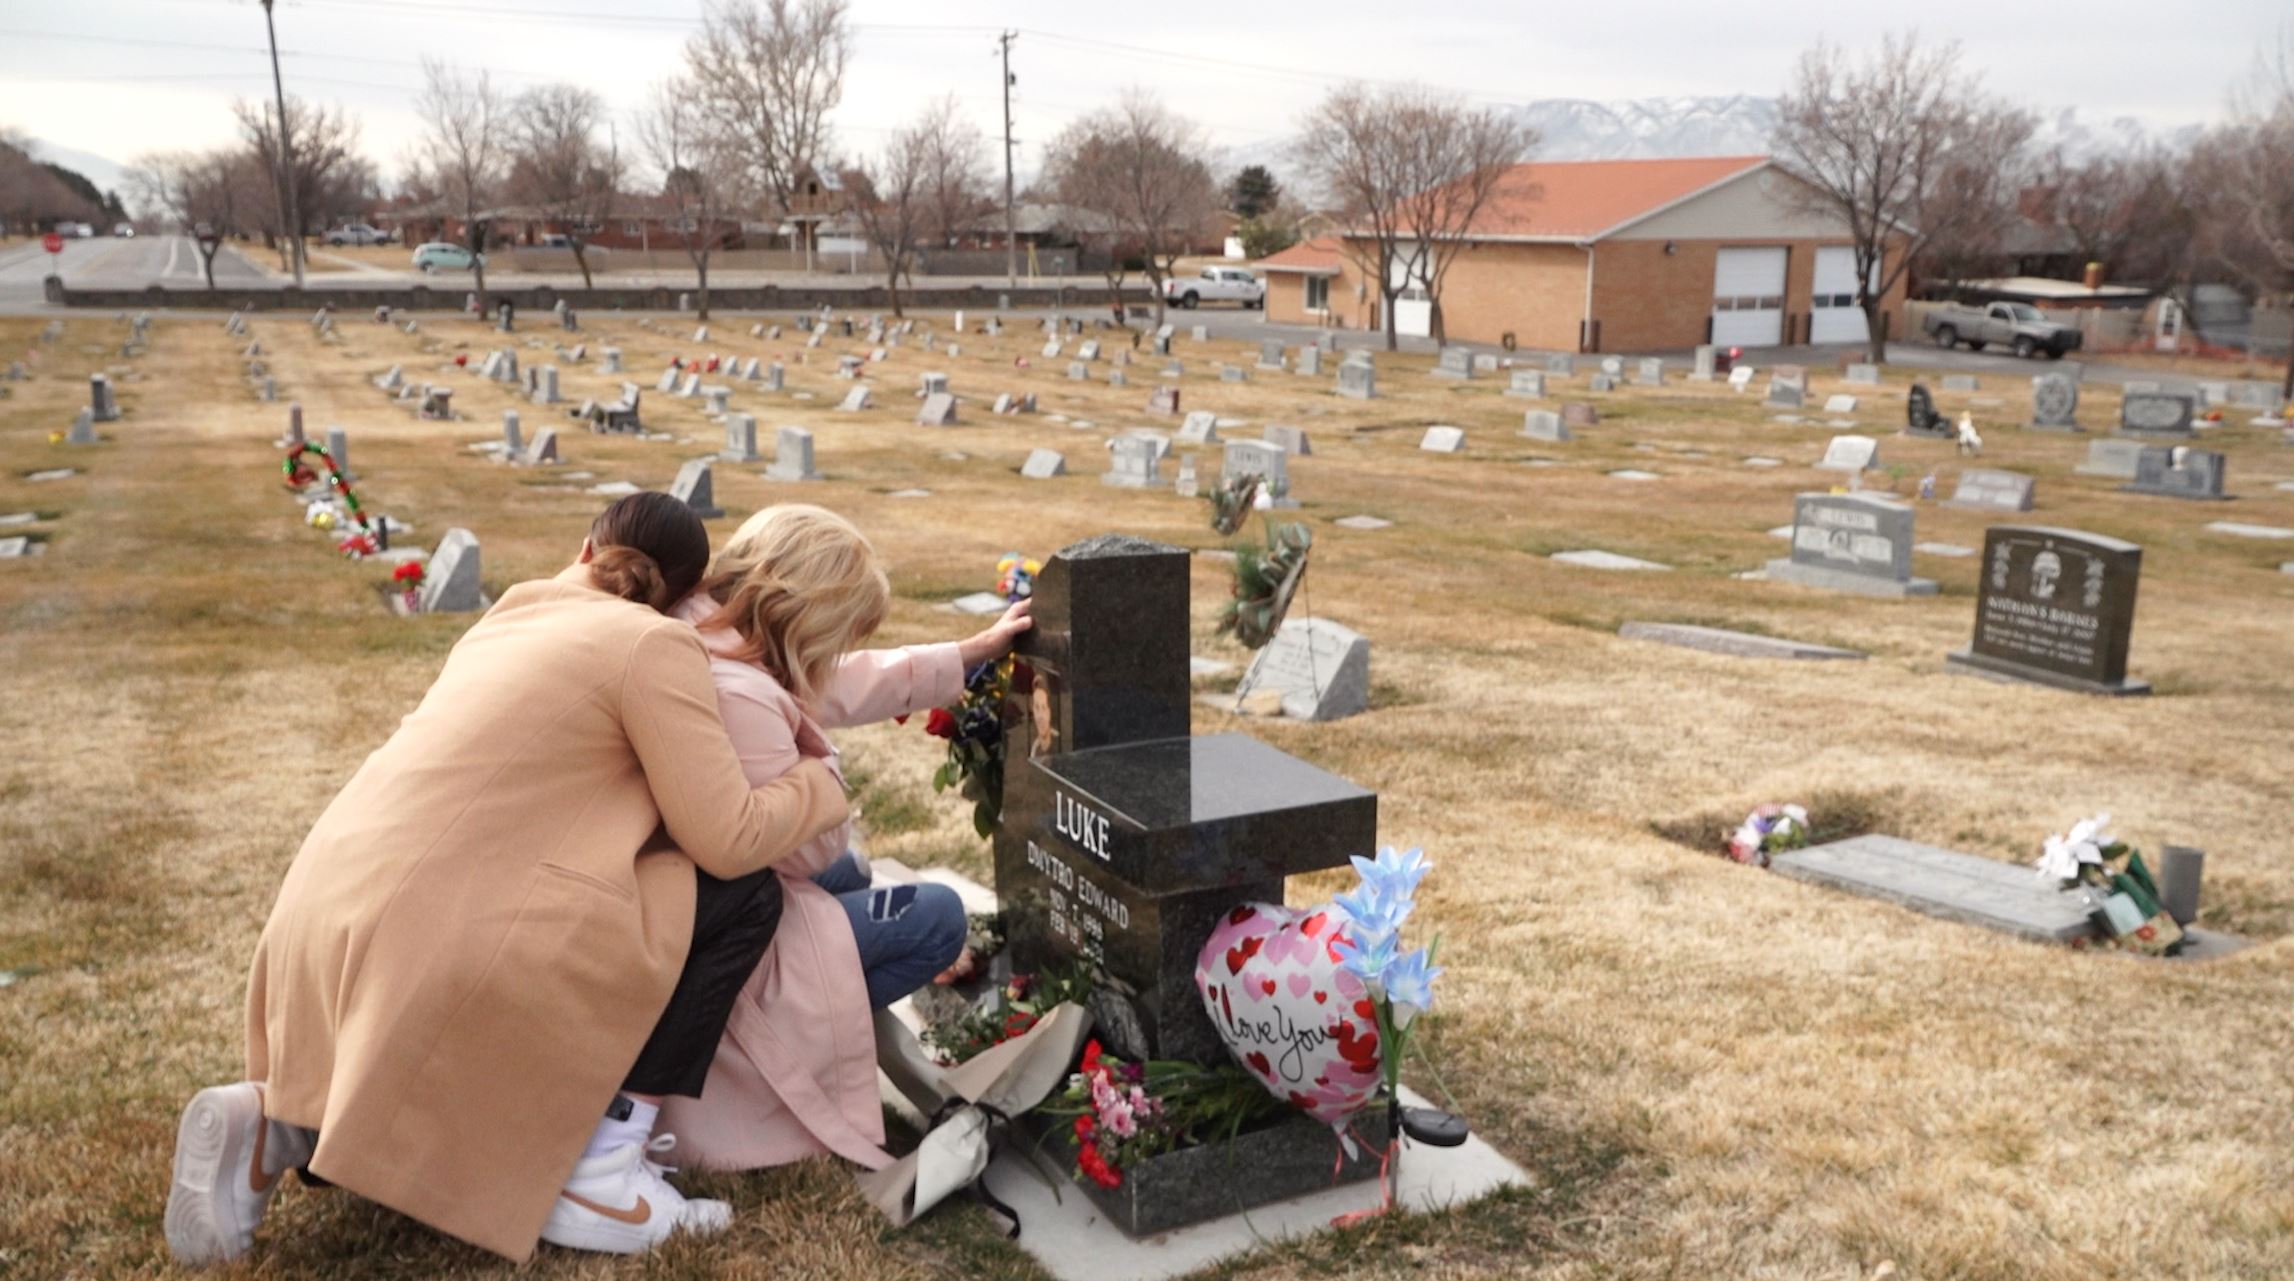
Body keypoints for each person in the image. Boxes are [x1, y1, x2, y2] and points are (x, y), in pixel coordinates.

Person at [165, 494, 854, 1266]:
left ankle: (273, 1122)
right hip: (438, 929)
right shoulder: (653, 646)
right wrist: (821, 784)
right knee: (744, 896)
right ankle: (605, 1167)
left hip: (322, 902)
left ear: (586, 546)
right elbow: (728, 838)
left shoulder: (512, 611)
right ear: (687, 592)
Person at [656, 505, 1029, 1172]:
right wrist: (821, 762)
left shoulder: (708, 630)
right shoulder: (739, 693)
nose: (834, 654)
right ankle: (802, 1049)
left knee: (854, 878)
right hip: (725, 932)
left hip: (709, 899)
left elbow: (838, 681)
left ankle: (829, 1024)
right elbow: (810, 848)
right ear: (806, 614)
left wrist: (966, 655)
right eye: (835, 635)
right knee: (937, 918)